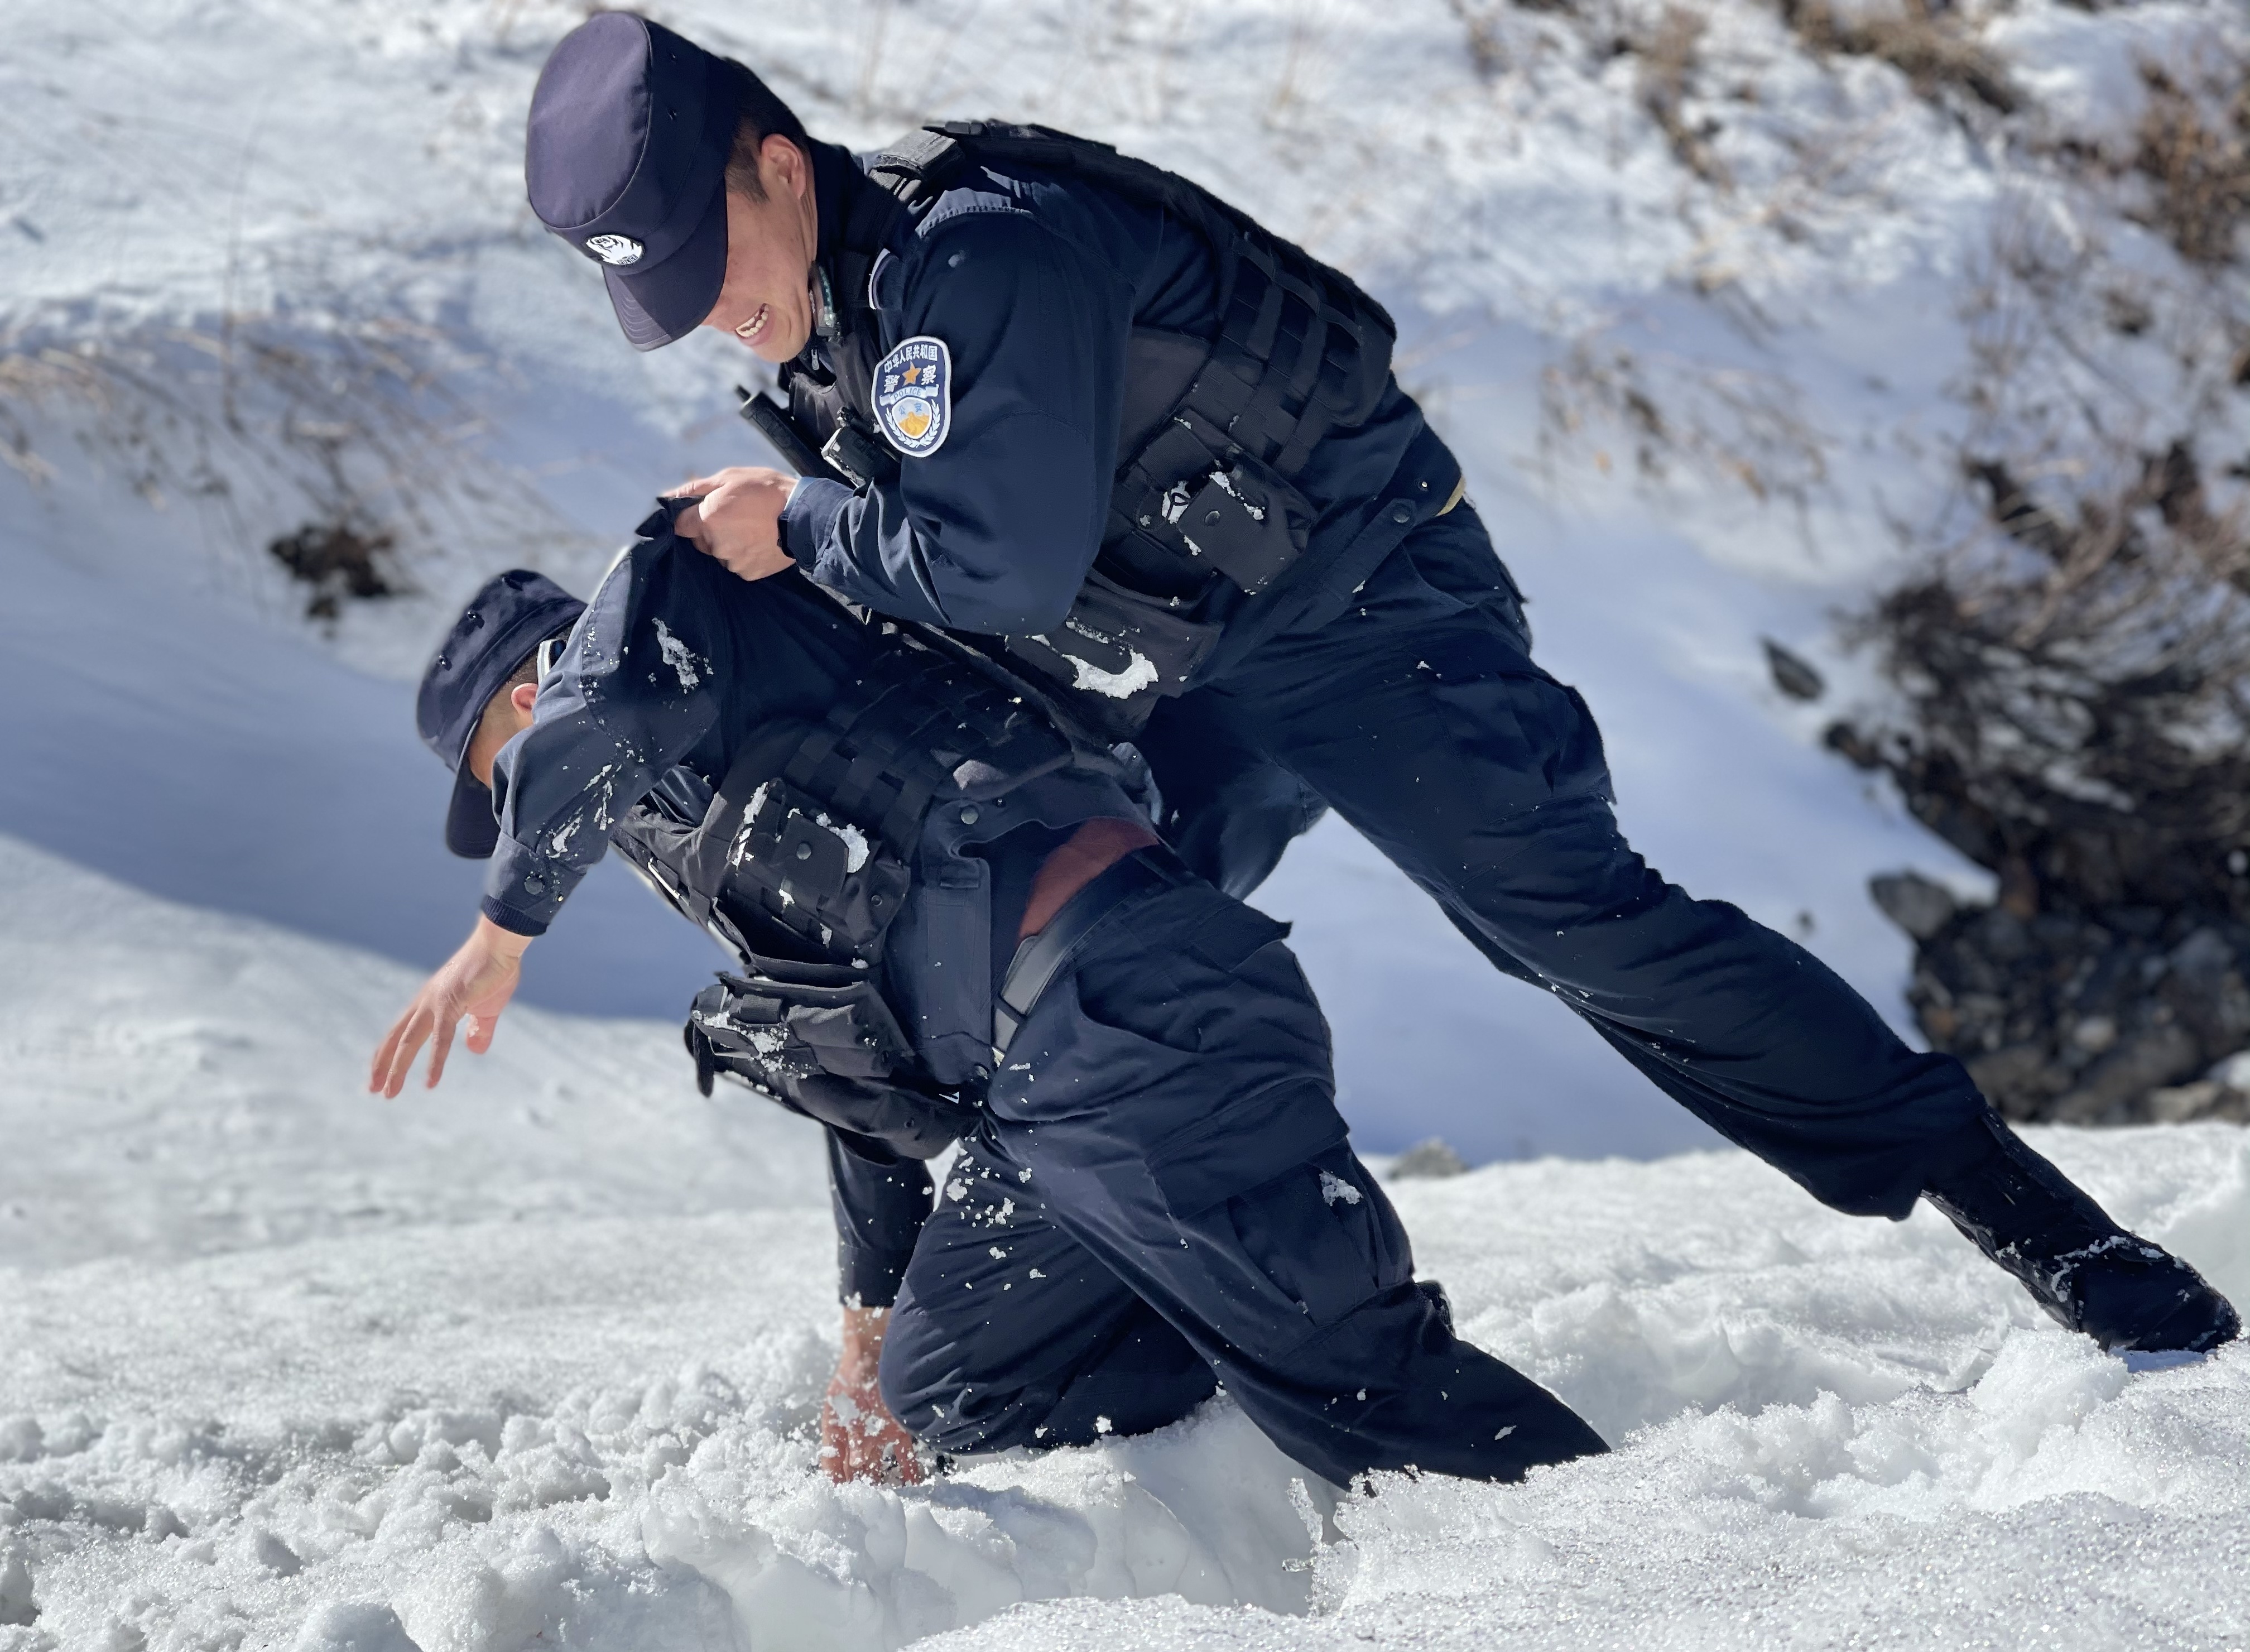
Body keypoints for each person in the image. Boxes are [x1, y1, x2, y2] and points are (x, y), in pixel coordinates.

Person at [506, 14, 2239, 1360]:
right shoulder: (830, 337)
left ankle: (2034, 1215)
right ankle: (1146, 1338)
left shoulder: (983, 259)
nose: (710, 319)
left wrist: (800, 527)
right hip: (1167, 675)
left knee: (1577, 930)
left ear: (778, 163)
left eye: (703, 263)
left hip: (1357, 611)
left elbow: (998, 565)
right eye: (663, 306)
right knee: (1041, 956)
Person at [370, 508, 1612, 1487]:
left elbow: (612, 698)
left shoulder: (685, 614)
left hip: (1130, 1005)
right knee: (957, 1390)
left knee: (1371, 1398)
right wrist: (865, 1333)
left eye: (508, 780)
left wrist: (504, 926)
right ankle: (1251, 1340)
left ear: (528, 711)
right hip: (1045, 1097)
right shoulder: (712, 818)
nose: (529, 815)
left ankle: (1652, 1577)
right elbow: (854, 1063)